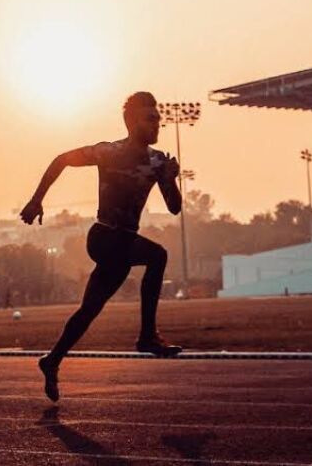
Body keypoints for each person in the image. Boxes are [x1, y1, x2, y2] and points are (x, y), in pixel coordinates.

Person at [20, 91, 182, 402]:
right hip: (104, 236)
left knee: (88, 311)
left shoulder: (158, 161)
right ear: (132, 122)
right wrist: (37, 199)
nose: (158, 123)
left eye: (159, 117)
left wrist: (170, 179)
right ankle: (147, 336)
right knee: (158, 255)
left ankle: (51, 360)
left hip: (122, 247)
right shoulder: (109, 152)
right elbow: (61, 160)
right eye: (151, 118)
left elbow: (174, 208)